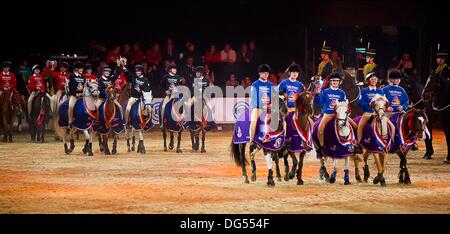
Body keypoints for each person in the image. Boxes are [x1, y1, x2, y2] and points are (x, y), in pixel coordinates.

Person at [314, 72, 354, 151]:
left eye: (336, 81)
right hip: (328, 114)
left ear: (339, 82)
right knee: (320, 129)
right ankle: (322, 147)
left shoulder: (342, 93)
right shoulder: (325, 91)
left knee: (354, 125)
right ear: (330, 82)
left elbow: (345, 104)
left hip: (339, 115)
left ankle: (354, 144)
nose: (335, 82)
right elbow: (319, 102)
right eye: (333, 81)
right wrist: (317, 94)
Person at [249, 64, 274, 149]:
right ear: (260, 74)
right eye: (264, 73)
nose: (266, 75)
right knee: (253, 121)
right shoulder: (255, 84)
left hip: (269, 107)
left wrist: (271, 105)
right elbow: (254, 97)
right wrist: (262, 106)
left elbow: (273, 98)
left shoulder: (271, 85)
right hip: (258, 107)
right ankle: (251, 141)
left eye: (267, 73)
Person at [357, 72, 385, 145]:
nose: (374, 81)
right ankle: (359, 143)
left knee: (392, 126)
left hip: (379, 113)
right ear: (368, 80)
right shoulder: (364, 91)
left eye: (375, 79)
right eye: (372, 79)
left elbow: (384, 102)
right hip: (368, 112)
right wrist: (368, 104)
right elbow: (360, 103)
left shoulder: (380, 91)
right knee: (360, 126)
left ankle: (386, 141)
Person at [67, 61, 86, 131]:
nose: (82, 70)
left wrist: (82, 93)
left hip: (81, 95)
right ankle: (70, 121)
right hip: (74, 95)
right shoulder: (71, 76)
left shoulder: (83, 77)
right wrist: (75, 94)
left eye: (82, 69)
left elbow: (84, 87)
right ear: (76, 69)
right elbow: (70, 87)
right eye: (80, 69)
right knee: (71, 106)